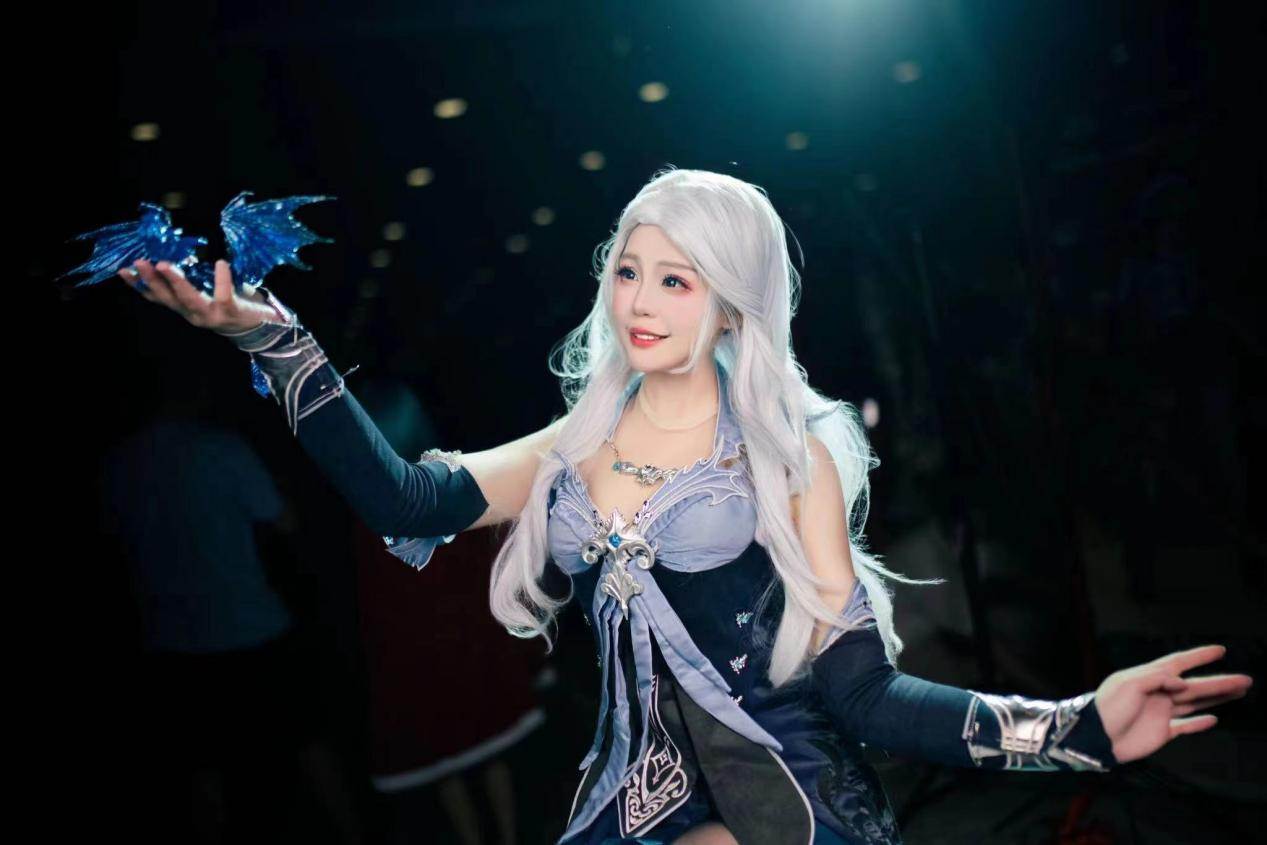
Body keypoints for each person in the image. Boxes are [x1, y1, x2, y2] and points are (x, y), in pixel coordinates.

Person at [117, 167, 1252, 844]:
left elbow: (861, 691)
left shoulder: (790, 452)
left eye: (677, 277)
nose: (641, 301)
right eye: (628, 270)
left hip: (788, 797)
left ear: (732, 302)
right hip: (634, 799)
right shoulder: (575, 441)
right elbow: (401, 495)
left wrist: (1075, 727)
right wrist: (274, 339)